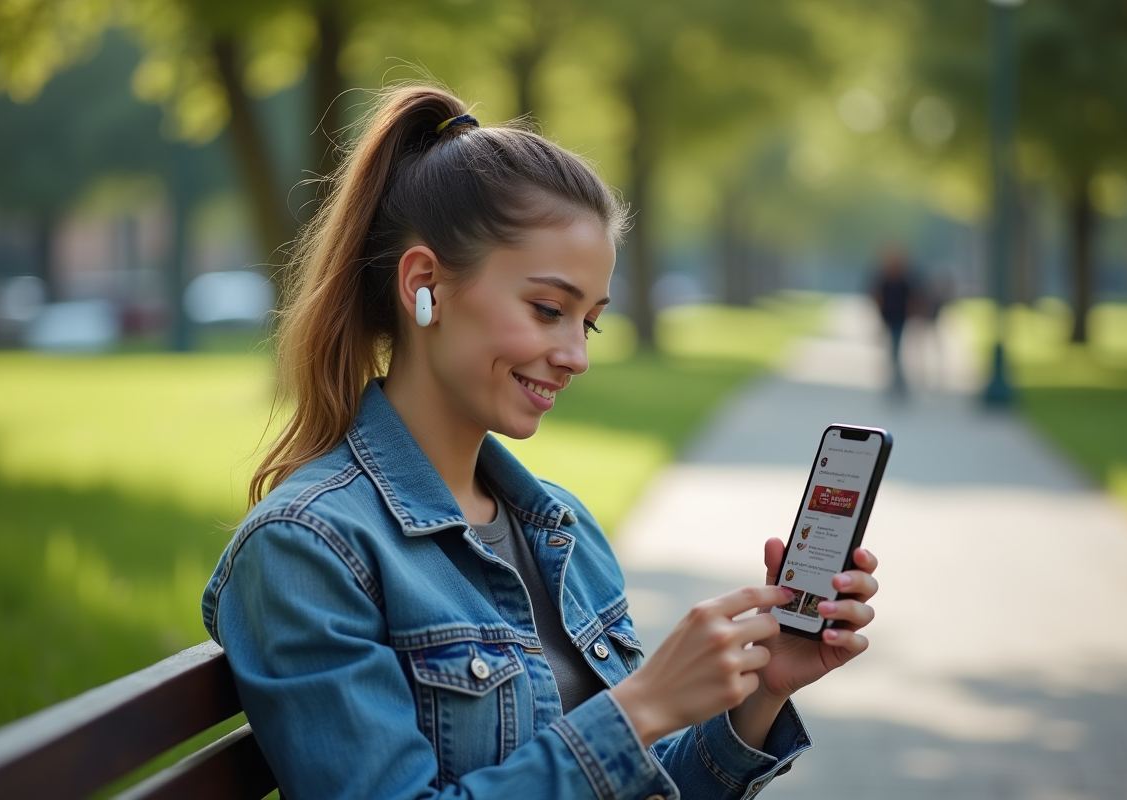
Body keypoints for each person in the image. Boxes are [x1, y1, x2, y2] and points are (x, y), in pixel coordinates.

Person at [202, 85, 880, 800]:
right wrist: (640, 707)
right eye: (548, 309)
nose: (575, 356)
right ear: (425, 282)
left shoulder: (563, 528)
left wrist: (759, 696)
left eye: (587, 322)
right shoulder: (308, 549)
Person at [870, 245, 921, 394]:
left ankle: (898, 381)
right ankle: (897, 380)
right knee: (893, 350)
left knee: (896, 349)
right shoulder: (884, 278)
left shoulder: (905, 279)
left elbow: (913, 298)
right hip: (888, 318)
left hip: (900, 318)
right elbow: (877, 296)